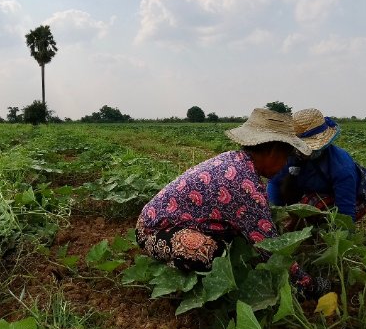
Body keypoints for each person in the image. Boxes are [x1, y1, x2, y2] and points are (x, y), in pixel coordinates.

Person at [135, 108, 329, 299]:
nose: (285, 164)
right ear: (272, 151)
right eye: (285, 156)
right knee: (206, 252)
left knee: (230, 242)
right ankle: (175, 280)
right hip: (153, 231)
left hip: (172, 223)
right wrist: (308, 285)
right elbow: (269, 246)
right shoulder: (245, 185)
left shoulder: (237, 160)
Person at [267, 108, 366, 224]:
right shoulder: (291, 156)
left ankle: (321, 226)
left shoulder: (341, 165)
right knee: (295, 198)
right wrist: (273, 217)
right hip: (313, 193)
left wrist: (341, 230)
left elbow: (346, 209)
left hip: (352, 200)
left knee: (311, 205)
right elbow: (274, 183)